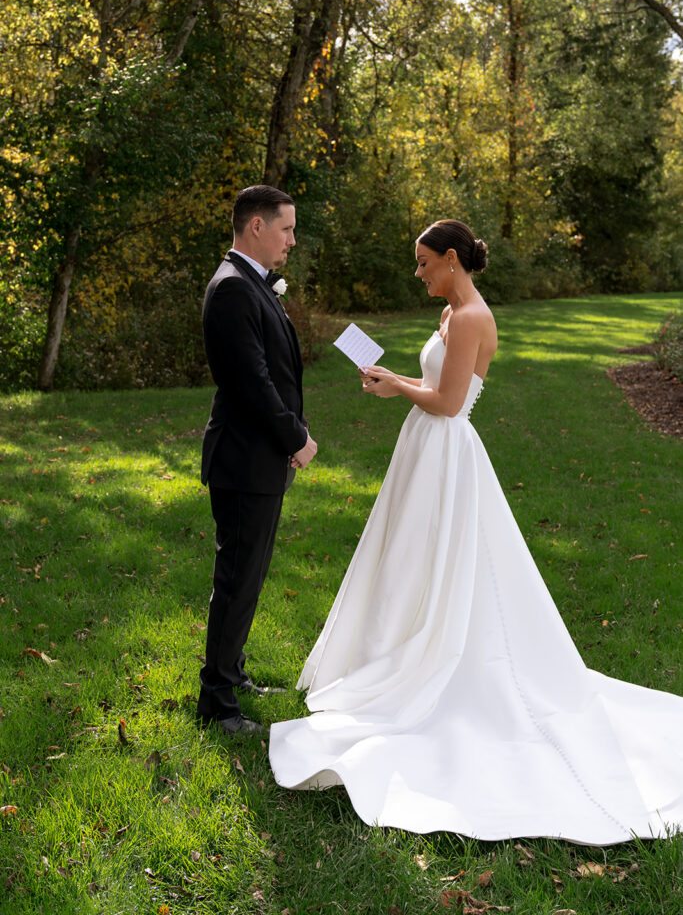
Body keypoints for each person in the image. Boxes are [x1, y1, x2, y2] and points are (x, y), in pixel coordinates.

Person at [269, 219, 683, 844]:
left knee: (436, 562)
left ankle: (431, 662)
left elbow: (450, 402)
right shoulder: (450, 313)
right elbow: (434, 391)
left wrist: (395, 386)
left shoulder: (470, 319)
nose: (418, 274)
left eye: (424, 263)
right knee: (407, 561)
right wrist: (398, 384)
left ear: (453, 259)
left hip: (446, 450)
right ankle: (393, 650)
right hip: (424, 446)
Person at [197, 184, 317, 736]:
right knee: (238, 577)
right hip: (245, 460)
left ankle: (232, 673)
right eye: (287, 229)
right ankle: (217, 703)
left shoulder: (252, 284)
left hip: (258, 457)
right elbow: (252, 382)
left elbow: (274, 369)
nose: (292, 240)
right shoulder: (232, 291)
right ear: (256, 228)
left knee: (249, 575)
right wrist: (295, 438)